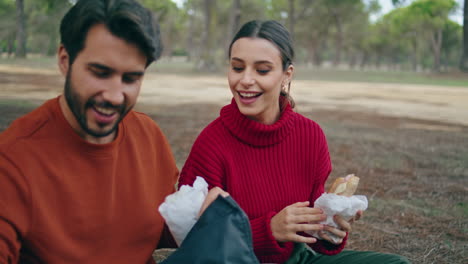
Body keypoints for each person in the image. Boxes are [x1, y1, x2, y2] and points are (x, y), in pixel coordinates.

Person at [0, 0, 227, 263]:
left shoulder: (149, 138)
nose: (115, 96)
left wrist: (197, 217)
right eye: (100, 73)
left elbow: (153, 229)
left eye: (131, 78)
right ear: (65, 60)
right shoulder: (13, 160)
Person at [179, 20, 411, 264]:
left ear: (286, 75)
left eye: (262, 70)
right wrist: (268, 230)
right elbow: (192, 239)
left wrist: (329, 228)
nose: (245, 80)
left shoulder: (310, 136)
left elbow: (310, 229)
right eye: (237, 68)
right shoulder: (211, 143)